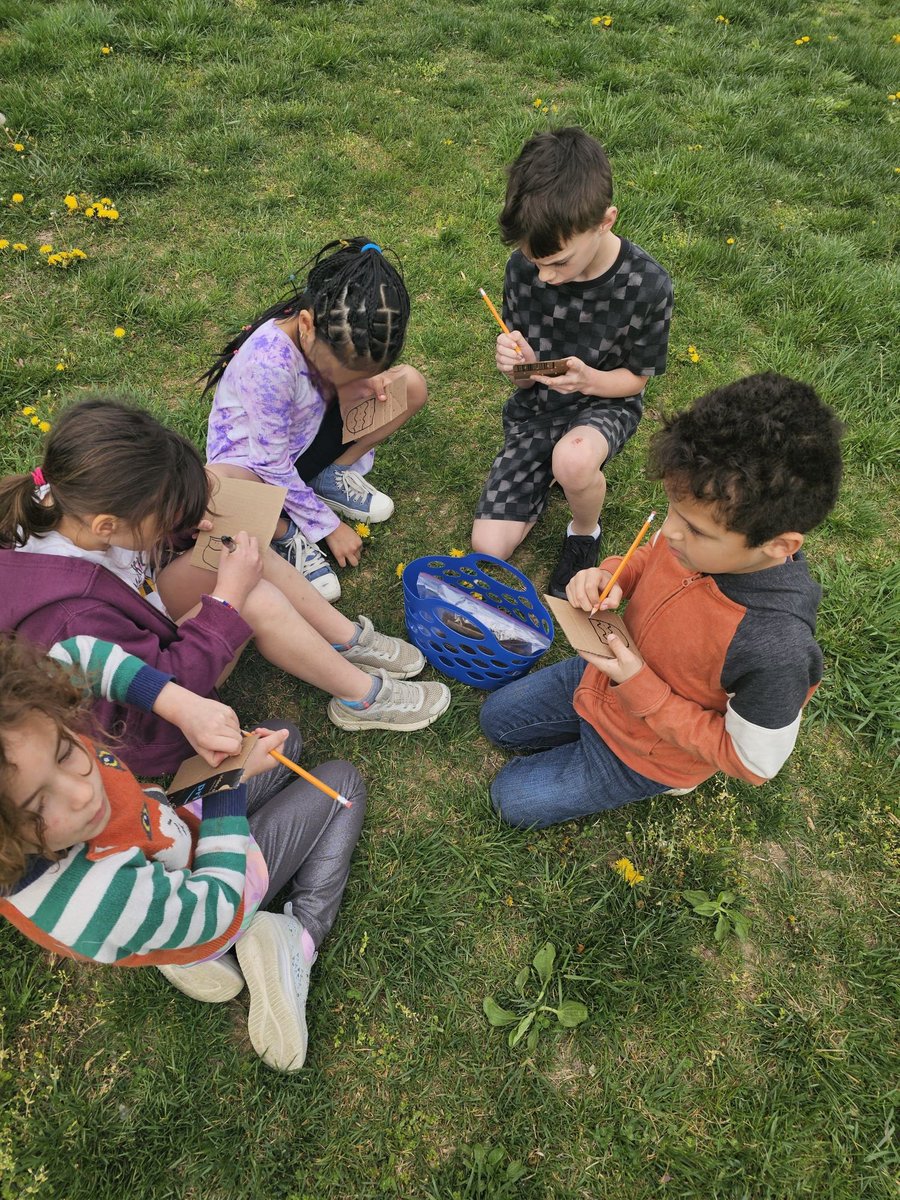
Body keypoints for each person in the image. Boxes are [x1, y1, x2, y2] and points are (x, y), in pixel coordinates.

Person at [0, 397, 451, 777]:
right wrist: (227, 599)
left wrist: (181, 527)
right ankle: (361, 697)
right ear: (108, 524)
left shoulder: (67, 507)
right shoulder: (71, 616)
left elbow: (136, 555)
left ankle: (346, 639)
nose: (170, 519)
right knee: (252, 594)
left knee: (232, 500)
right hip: (146, 718)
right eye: (163, 512)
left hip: (137, 613)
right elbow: (167, 685)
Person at [480, 374, 844, 828]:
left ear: (778, 545)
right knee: (495, 719)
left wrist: (640, 687)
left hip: (650, 749)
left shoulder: (776, 650)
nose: (671, 530)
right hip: (599, 676)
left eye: (695, 529)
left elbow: (751, 762)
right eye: (672, 508)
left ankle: (670, 779)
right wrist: (612, 576)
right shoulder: (698, 536)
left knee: (511, 800)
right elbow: (648, 557)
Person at [0, 632, 367, 1072]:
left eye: (64, 752)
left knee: (286, 737)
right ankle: (297, 936)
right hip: (211, 903)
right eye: (39, 806)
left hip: (163, 858)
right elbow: (217, 907)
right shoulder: (93, 901)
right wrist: (229, 787)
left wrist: (179, 704)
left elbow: (78, 656)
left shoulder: (20, 722)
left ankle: (169, 940)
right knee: (342, 781)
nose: (82, 792)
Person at [471, 127, 673, 597]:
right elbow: (527, 381)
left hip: (607, 401)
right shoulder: (526, 268)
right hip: (539, 408)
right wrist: (518, 367)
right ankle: (546, 478)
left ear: (605, 221)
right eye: (534, 261)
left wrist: (590, 379)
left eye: (559, 262)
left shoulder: (648, 285)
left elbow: (634, 382)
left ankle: (584, 532)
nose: (545, 276)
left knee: (575, 459)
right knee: (487, 545)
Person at [202, 237, 427, 601]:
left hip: (305, 439)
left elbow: (346, 374)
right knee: (215, 487)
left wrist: (360, 381)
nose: (347, 381)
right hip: (258, 467)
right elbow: (269, 462)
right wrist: (327, 526)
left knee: (411, 386)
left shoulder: (332, 336)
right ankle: (283, 532)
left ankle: (330, 474)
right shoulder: (270, 364)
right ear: (305, 325)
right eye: (340, 372)